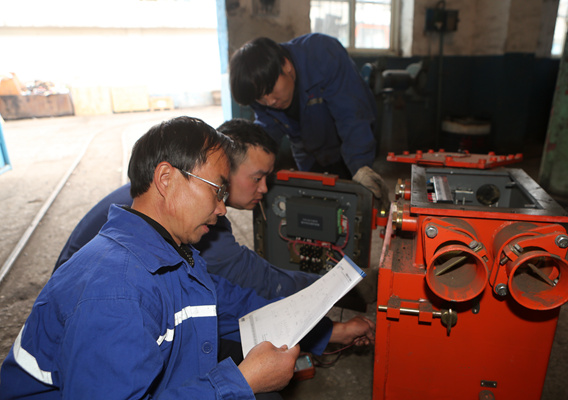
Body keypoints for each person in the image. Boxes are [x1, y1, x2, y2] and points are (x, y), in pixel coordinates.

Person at [0, 116, 375, 399]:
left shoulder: (173, 254)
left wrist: (329, 332)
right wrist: (241, 382)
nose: (223, 209)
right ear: (166, 179)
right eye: (217, 190)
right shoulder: (114, 294)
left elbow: (236, 306)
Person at [53, 118, 319, 300]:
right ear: (226, 169)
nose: (264, 189)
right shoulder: (186, 216)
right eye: (257, 178)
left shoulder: (167, 193)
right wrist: (322, 288)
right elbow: (254, 279)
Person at [228, 33, 390, 210]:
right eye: (260, 98)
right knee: (315, 209)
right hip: (309, 152)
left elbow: (352, 117)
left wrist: (361, 167)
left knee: (355, 206)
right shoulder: (261, 94)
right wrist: (238, 168)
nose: (270, 102)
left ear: (286, 65)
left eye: (270, 90)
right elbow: (266, 134)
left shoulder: (322, 54)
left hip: (350, 144)